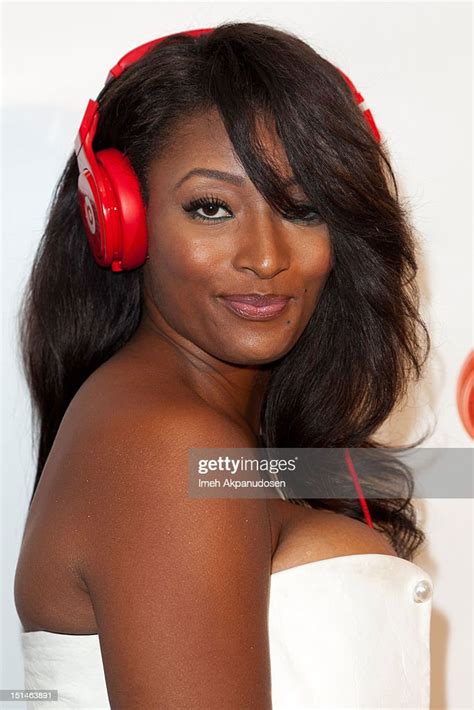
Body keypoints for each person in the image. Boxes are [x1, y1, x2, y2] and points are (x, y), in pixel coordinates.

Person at [14, 21, 434, 709]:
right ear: (123, 222)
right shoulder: (171, 444)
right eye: (211, 208)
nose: (266, 257)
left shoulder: (190, 432)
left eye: (302, 210)